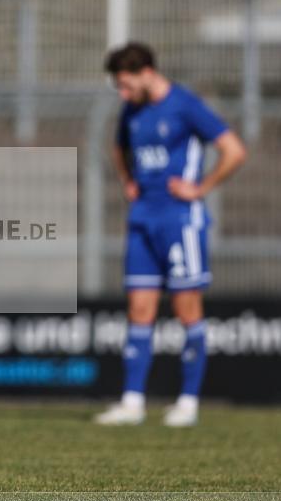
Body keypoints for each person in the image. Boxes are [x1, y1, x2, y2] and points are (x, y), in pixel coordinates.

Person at [95, 43, 247, 427]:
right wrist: (128, 180)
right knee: (139, 310)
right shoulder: (132, 110)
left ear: (147, 71)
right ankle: (132, 403)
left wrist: (202, 187)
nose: (124, 95)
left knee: (185, 309)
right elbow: (118, 148)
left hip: (181, 220)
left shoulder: (185, 104)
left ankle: (188, 403)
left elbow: (233, 150)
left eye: (127, 85)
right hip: (142, 219)